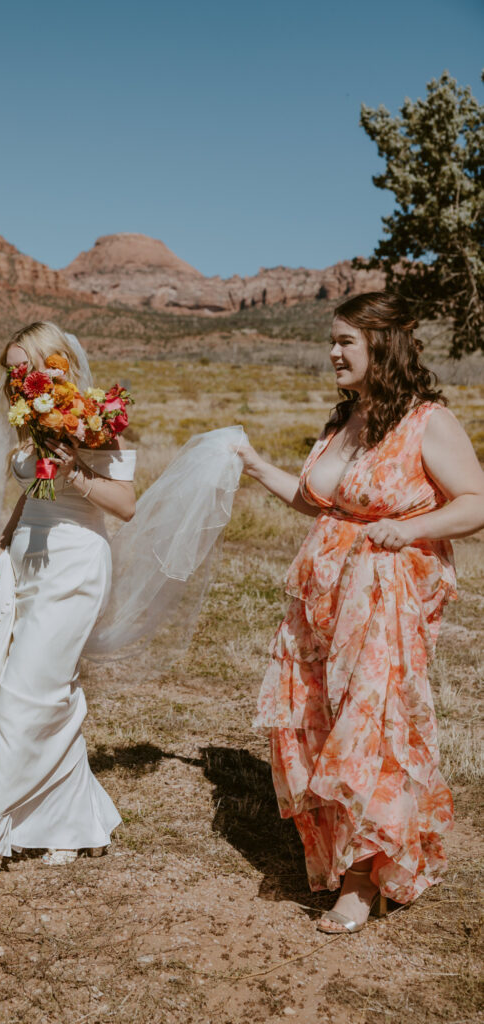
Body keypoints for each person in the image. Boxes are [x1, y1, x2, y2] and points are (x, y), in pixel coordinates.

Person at [238, 292, 484, 933]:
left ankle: (362, 881)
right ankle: (341, 849)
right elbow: (320, 499)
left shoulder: (427, 421)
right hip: (320, 595)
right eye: (333, 340)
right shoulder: (344, 421)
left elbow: (476, 502)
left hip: (384, 598)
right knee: (317, 721)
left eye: (347, 341)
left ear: (384, 347)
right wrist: (255, 465)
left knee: (369, 729)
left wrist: (415, 528)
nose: (334, 352)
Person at [0, 321, 136, 886]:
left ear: (59, 363)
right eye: (11, 368)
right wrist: (4, 540)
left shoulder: (91, 420)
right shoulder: (30, 422)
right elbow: (31, 492)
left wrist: (75, 470)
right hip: (25, 563)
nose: (18, 377)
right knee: (39, 690)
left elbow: (124, 504)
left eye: (27, 365)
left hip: (73, 567)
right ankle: (70, 821)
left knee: (25, 693)